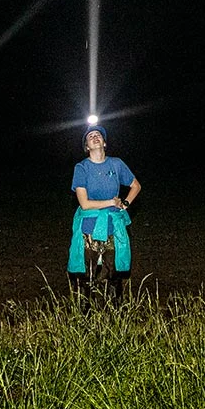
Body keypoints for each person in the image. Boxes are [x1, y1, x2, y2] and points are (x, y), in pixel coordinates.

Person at [68, 125, 141, 302]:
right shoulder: (82, 168)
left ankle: (115, 318)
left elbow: (136, 185)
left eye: (98, 135)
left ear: (104, 142)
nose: (95, 137)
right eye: (90, 136)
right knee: (88, 277)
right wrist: (111, 202)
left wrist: (125, 203)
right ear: (87, 146)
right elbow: (84, 204)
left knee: (113, 277)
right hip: (90, 229)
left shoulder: (116, 164)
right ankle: (85, 320)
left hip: (112, 227)